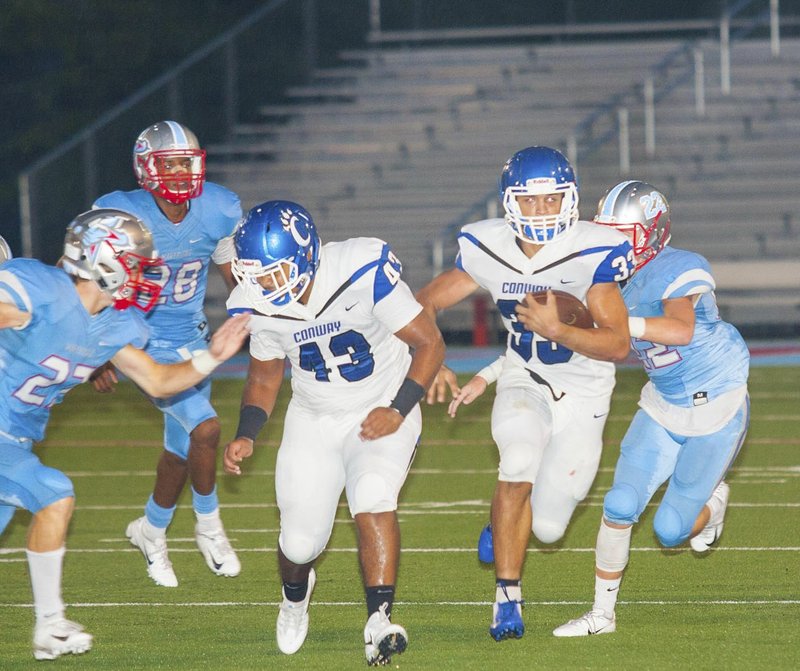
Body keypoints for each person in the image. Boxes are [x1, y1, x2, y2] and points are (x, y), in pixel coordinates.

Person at [0, 209, 250, 660]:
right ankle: (50, 625)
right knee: (55, 495)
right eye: (136, 262)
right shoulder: (41, 290)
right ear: (103, 261)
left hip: (15, 441)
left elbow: (157, 380)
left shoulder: (115, 326)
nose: (145, 274)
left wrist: (212, 357)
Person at [415, 146, 634, 641]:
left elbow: (618, 343)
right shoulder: (487, 247)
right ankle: (507, 598)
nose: (542, 212)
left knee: (551, 528)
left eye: (552, 200)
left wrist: (559, 329)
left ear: (571, 200)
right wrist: (431, 360)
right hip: (522, 376)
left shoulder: (592, 251)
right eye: (530, 202)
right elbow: (421, 303)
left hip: (585, 390)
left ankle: (502, 523)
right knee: (516, 463)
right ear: (509, 203)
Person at [222, 200, 445, 665]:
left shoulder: (360, 267)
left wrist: (398, 409)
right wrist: (248, 432)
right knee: (300, 543)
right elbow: (264, 378)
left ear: (304, 256)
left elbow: (429, 343)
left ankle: (379, 620)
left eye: (271, 272)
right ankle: (294, 599)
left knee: (373, 494)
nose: (261, 284)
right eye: (254, 273)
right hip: (314, 417)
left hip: (381, 403)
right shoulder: (257, 303)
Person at [543, 180, 749, 636]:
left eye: (626, 233)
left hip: (717, 401)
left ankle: (712, 506)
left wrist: (620, 322)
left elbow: (679, 330)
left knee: (671, 531)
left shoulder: (679, 266)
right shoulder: (606, 273)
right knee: (619, 504)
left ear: (653, 232)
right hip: (662, 402)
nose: (616, 243)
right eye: (609, 231)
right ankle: (602, 615)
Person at [91, 120, 243, 587]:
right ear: (146, 169)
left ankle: (151, 531)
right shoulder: (120, 214)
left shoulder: (218, 208)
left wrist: (257, 320)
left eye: (186, 163)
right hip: (139, 340)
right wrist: (96, 351)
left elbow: (232, 277)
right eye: (168, 164)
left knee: (180, 452)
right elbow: (90, 285)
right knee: (207, 427)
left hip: (193, 337)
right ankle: (209, 526)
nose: (179, 173)